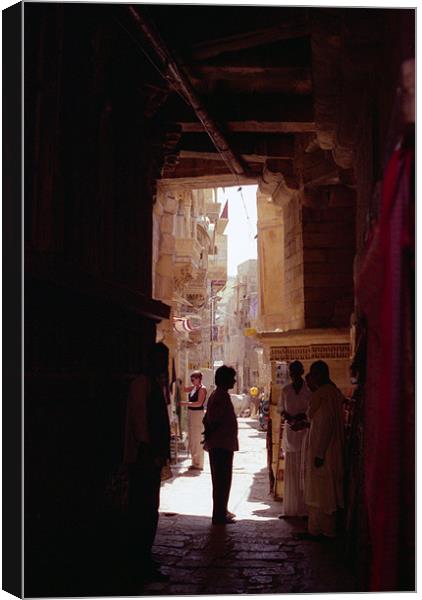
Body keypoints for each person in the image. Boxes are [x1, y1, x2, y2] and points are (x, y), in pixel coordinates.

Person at [123, 342, 171, 583]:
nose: (162, 366)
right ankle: (138, 559)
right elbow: (141, 422)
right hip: (144, 458)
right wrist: (150, 451)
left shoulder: (153, 384)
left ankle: (144, 556)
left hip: (151, 457)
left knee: (149, 509)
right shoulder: (142, 385)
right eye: (159, 360)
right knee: (142, 509)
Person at [299, 360, 345, 540]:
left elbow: (325, 426)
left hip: (324, 454)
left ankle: (324, 530)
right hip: (328, 451)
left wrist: (319, 454)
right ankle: (317, 528)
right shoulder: (332, 393)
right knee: (322, 491)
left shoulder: (324, 395)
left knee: (323, 493)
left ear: (319, 376)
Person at [202, 365, 238, 525]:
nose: (234, 381)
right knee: (221, 480)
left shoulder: (219, 395)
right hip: (220, 444)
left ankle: (221, 510)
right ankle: (219, 514)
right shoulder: (219, 397)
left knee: (222, 480)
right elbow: (213, 420)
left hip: (222, 443)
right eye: (232, 378)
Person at [277, 360, 311, 518]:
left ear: (302, 371)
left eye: (297, 370)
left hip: (305, 433)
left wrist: (302, 416)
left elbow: (312, 410)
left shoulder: (309, 390)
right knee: (291, 471)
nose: (294, 374)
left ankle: (304, 511)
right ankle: (290, 510)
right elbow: (281, 410)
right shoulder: (286, 390)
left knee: (304, 470)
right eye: (292, 371)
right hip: (291, 433)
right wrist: (288, 417)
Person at [181, 371, 207, 470]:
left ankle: (199, 463)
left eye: (193, 379)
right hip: (191, 414)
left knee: (197, 438)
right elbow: (184, 389)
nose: (192, 381)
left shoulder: (202, 389)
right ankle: (194, 462)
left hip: (197, 415)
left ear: (198, 379)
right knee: (192, 438)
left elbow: (199, 403)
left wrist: (186, 403)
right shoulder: (194, 388)